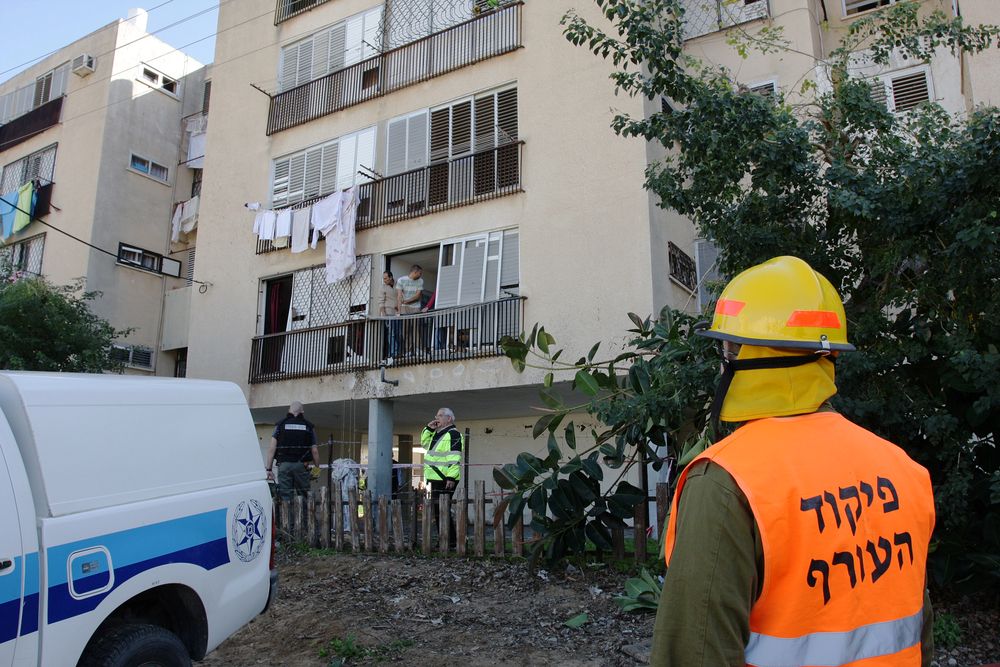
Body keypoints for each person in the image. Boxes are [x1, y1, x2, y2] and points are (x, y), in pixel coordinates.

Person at [650, 256, 936, 666]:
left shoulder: (727, 481)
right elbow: (919, 635)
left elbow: (694, 654)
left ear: (742, 355)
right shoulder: (904, 470)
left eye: (728, 346)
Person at [422, 407, 463, 548]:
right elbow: (424, 444)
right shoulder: (438, 434)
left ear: (449, 418)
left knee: (443, 510)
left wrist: (451, 477)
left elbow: (454, 456)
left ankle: (449, 541)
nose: (436, 418)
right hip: (436, 478)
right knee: (439, 511)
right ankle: (447, 540)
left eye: (440, 416)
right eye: (436, 415)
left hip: (445, 479)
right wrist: (428, 429)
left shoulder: (453, 434)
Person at [264, 401, 320, 501]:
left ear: (289, 410)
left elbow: (272, 449)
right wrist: (316, 470)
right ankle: (304, 516)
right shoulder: (308, 426)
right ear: (302, 412)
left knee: (285, 497)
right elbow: (314, 451)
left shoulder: (280, 425)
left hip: (284, 466)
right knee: (304, 496)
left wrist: (269, 469)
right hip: (302, 466)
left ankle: (287, 516)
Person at [396, 264, 424, 355]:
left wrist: (407, 301)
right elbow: (399, 296)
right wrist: (399, 311)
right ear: (415, 272)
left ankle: (418, 349)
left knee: (416, 328)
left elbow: (417, 295)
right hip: (404, 307)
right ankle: (408, 350)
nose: (421, 275)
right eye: (420, 273)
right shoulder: (401, 280)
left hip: (416, 307)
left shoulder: (420, 281)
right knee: (406, 329)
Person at [378, 271, 400, 359]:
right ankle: (393, 353)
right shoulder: (382, 287)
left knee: (398, 333)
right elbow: (380, 302)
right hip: (388, 314)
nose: (384, 280)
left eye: (386, 278)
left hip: (398, 313)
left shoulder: (398, 284)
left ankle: (398, 351)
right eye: (383, 278)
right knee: (392, 334)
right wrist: (383, 314)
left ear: (391, 277)